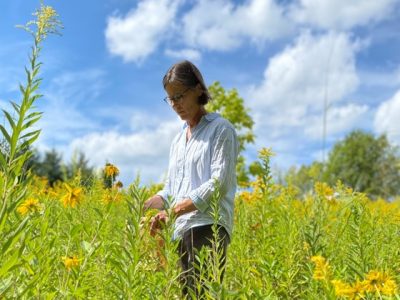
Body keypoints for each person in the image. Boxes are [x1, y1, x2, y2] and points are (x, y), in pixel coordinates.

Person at [143, 60, 239, 297]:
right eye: (170, 99)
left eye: (180, 96)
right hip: (179, 231)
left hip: (207, 226)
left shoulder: (220, 129)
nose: (175, 104)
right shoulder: (178, 141)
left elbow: (219, 183)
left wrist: (174, 211)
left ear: (198, 89)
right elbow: (171, 189)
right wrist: (144, 204)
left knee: (199, 294)